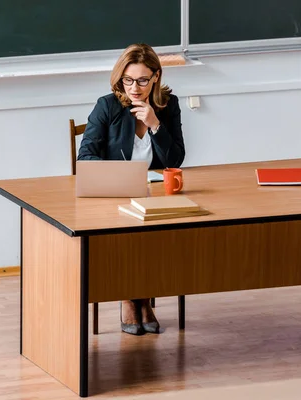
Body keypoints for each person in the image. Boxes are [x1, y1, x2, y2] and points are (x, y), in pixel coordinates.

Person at [77, 43, 186, 336]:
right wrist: (121, 177)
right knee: (127, 231)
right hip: (115, 194)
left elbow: (175, 159)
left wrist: (154, 125)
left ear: (155, 78)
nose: (134, 88)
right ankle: (131, 298)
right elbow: (85, 156)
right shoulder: (108, 106)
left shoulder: (168, 105)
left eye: (141, 80)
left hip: (154, 196)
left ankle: (142, 297)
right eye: (127, 80)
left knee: (164, 231)